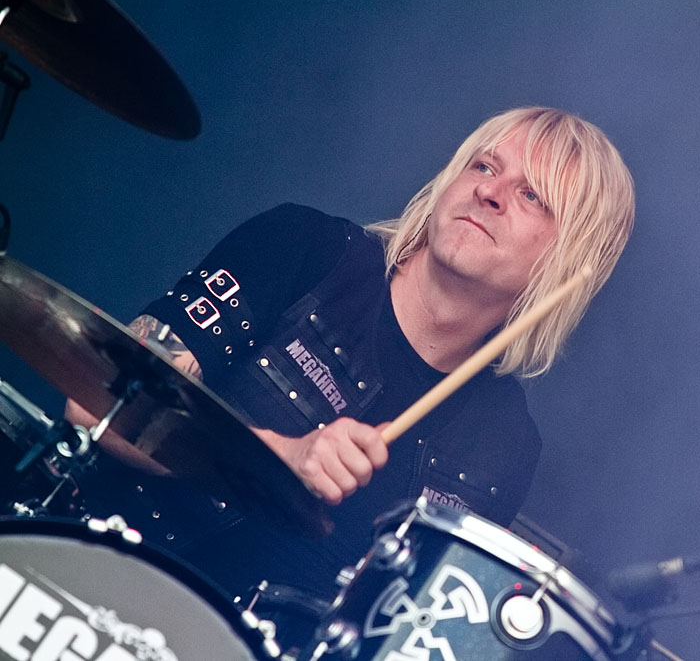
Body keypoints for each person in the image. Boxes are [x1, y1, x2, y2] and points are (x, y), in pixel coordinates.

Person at [68, 106, 635, 603]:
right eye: (484, 166)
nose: (489, 191)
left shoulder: (505, 445)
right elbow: (96, 402)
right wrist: (277, 457)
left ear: (570, 256)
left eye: (531, 195)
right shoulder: (303, 249)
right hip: (89, 583)